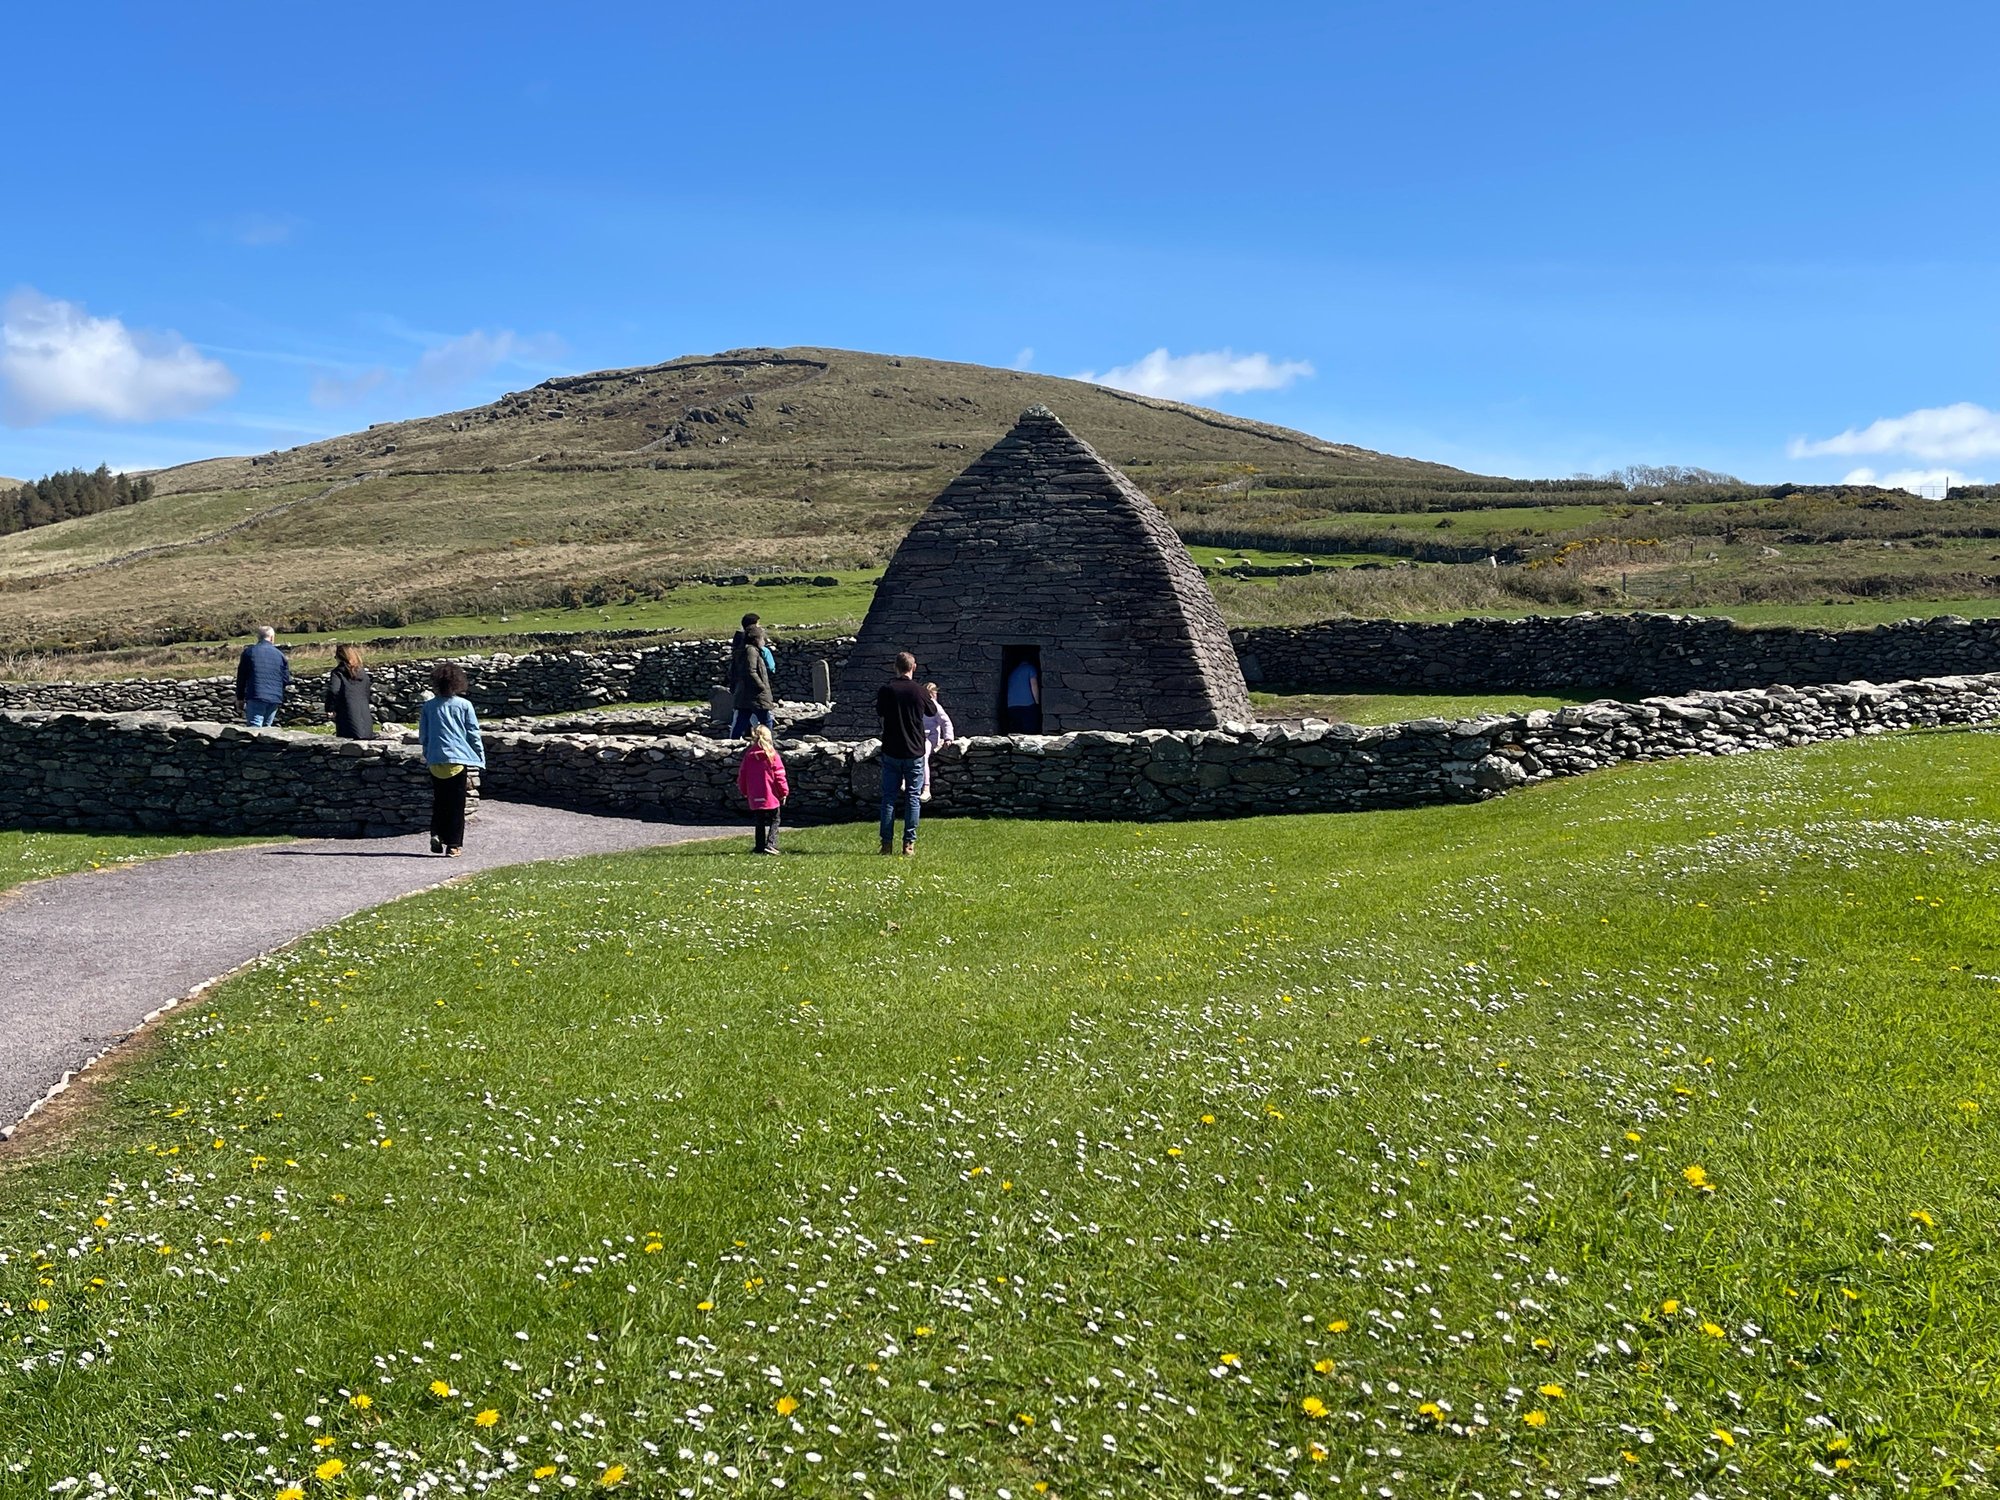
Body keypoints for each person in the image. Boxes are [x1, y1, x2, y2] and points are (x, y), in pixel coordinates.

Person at [417, 662, 484, 857]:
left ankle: (437, 832)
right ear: (458, 682)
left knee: (440, 800)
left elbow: (424, 735)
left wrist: (428, 753)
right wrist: (479, 757)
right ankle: (453, 845)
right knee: (456, 804)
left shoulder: (429, 706)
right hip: (456, 761)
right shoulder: (464, 705)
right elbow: (473, 733)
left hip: (436, 760)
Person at [875, 651, 927, 856]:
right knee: (913, 797)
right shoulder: (919, 691)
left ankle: (886, 844)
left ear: (895, 667)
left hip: (892, 748)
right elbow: (932, 711)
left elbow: (880, 712)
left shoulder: (887, 689)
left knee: (888, 798)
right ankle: (909, 844)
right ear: (913, 667)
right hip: (914, 749)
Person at [736, 722, 790, 854]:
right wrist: (784, 792)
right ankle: (771, 844)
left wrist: (744, 791)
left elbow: (742, 775)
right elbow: (779, 775)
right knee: (775, 819)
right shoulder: (772, 755)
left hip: (755, 794)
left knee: (759, 821)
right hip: (771, 795)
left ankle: (759, 846)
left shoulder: (749, 755)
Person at [234, 625, 291, 727]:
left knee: (254, 727)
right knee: (267, 729)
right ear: (272, 638)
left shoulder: (249, 652)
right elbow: (286, 679)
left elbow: (241, 677)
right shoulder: (280, 655)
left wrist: (240, 698)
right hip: (274, 697)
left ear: (258, 637)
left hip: (256, 694)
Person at [730, 623, 776, 738]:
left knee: (742, 720)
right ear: (756, 639)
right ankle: (768, 745)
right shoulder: (751, 651)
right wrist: (761, 687)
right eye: (762, 638)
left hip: (744, 694)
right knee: (766, 721)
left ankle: (732, 745)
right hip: (755, 694)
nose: (764, 641)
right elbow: (751, 671)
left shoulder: (741, 650)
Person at [324, 642, 374, 739]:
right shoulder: (362, 673)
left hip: (347, 715)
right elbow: (367, 692)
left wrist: (330, 708)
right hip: (365, 716)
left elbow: (334, 690)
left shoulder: (338, 673)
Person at [920, 681, 954, 804]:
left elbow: (946, 722)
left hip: (930, 737)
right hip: (918, 736)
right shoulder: (918, 704)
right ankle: (903, 780)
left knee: (923, 755)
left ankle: (926, 788)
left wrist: (948, 738)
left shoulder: (935, 706)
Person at [1003, 655, 1042, 734]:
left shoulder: (1013, 672)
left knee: (1016, 732)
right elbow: (1033, 685)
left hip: (1012, 706)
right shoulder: (1030, 668)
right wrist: (1037, 702)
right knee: (1029, 733)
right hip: (1027, 705)